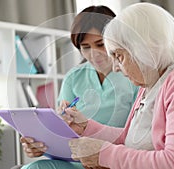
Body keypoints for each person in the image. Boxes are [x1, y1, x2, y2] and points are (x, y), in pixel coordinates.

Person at [66, 3, 174, 169]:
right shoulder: (150, 86)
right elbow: (131, 140)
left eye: (119, 56)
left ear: (143, 49)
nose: (116, 68)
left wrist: (105, 155)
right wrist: (86, 127)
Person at [19, 5, 139, 169]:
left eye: (100, 44)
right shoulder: (74, 78)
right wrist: (40, 146)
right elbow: (61, 131)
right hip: (79, 162)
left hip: (117, 160)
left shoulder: (135, 76)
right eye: (86, 47)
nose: (94, 54)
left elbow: (140, 136)